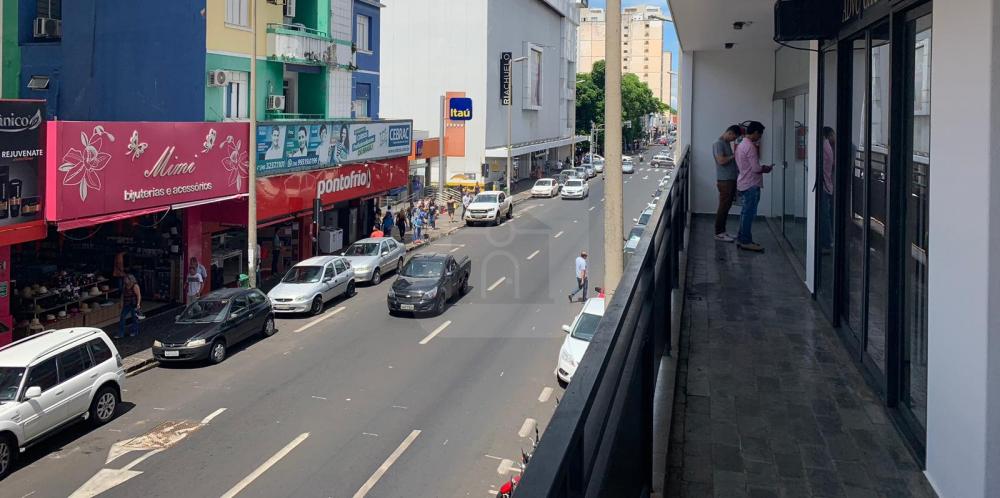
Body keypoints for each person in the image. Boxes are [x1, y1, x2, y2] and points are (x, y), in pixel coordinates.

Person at [734, 121, 773, 252]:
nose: (760, 138)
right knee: (749, 214)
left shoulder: (741, 144)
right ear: (755, 132)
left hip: (743, 182)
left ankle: (742, 238)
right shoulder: (750, 147)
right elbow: (756, 168)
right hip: (751, 184)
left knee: (745, 213)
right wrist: (766, 168)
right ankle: (746, 241)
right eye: (760, 135)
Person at [713, 125, 744, 242]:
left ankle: (723, 231)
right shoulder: (718, 144)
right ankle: (719, 233)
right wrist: (734, 156)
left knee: (727, 206)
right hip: (724, 180)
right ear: (730, 133)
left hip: (730, 179)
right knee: (723, 206)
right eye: (734, 137)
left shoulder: (726, 143)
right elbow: (721, 161)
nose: (733, 140)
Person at [819, 126, 836, 251]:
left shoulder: (823, 147)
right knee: (826, 214)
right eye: (833, 135)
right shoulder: (828, 147)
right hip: (827, 184)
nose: (834, 137)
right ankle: (827, 240)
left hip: (824, 185)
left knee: (824, 215)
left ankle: (827, 241)